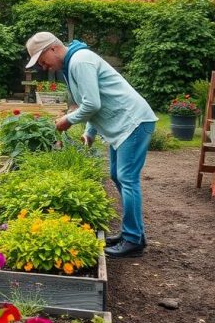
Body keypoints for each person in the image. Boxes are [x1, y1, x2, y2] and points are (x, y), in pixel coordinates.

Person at [25, 31, 157, 258]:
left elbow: (92, 104)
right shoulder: (73, 64)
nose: (43, 66)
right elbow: (96, 102)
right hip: (123, 126)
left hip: (133, 122)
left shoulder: (79, 61)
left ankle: (133, 240)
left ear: (53, 49)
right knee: (118, 176)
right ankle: (132, 234)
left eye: (42, 60)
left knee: (127, 179)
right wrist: (89, 133)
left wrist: (68, 120)